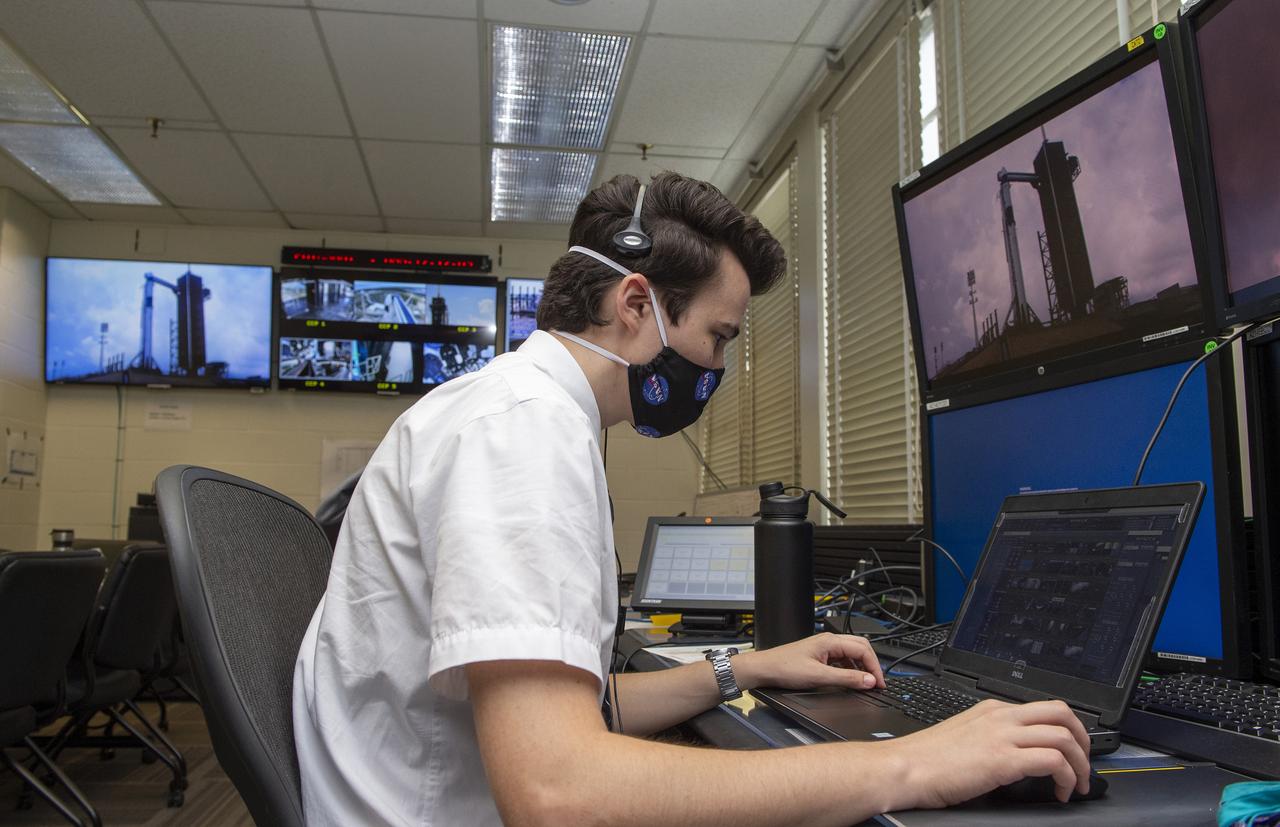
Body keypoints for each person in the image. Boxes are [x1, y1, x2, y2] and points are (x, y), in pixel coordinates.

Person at [293, 172, 1091, 827]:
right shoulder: (523, 433)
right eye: (718, 337)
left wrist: (738, 666)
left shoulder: (513, 407)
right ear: (637, 305)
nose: (716, 367)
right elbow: (558, 790)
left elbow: (583, 710)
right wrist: (915, 761)